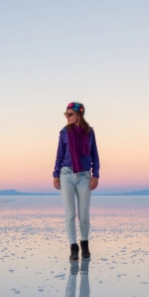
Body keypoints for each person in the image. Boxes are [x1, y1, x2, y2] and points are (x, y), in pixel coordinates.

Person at [52, 102, 100, 261]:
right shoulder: (64, 133)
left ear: (79, 115)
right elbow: (59, 155)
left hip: (85, 176)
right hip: (66, 175)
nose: (67, 117)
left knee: (84, 215)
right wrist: (56, 175)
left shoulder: (90, 133)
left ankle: (84, 245)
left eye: (70, 114)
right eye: (66, 114)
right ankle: (73, 247)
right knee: (70, 214)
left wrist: (96, 175)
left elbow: (95, 155)